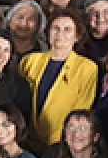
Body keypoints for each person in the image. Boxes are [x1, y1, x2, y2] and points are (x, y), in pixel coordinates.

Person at [20, 9, 100, 147]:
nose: (60, 34)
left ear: (77, 36)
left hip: (62, 142)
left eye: (67, 29)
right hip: (27, 139)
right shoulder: (29, 60)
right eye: (55, 28)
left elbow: (82, 109)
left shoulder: (87, 68)